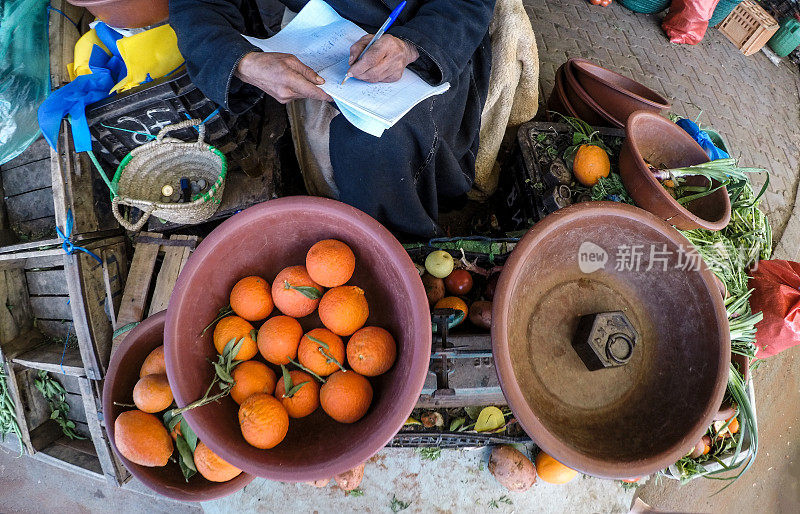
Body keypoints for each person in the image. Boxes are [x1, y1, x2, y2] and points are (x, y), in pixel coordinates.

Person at [169, 0, 495, 237]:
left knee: (375, 140)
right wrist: (243, 63)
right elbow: (197, 6)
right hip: (319, 26)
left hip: (428, 25)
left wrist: (412, 46)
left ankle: (406, 254)